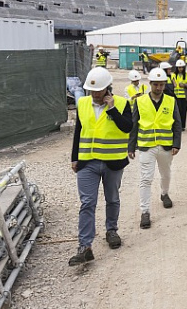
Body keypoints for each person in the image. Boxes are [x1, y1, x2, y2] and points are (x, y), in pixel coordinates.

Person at [69, 67, 132, 266]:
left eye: (99, 91)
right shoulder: (83, 103)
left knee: (112, 198)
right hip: (88, 161)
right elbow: (79, 131)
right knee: (87, 202)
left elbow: (128, 127)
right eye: (92, 91)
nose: (95, 94)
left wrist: (112, 109)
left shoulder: (122, 104)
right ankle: (84, 246)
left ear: (108, 88)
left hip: (113, 162)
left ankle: (111, 231)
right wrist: (74, 157)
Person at [128, 68, 182, 229]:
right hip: (146, 145)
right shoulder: (140, 101)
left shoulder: (171, 101)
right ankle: (145, 212)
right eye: (156, 84)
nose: (159, 88)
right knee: (146, 178)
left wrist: (176, 143)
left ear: (165, 84)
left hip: (165, 146)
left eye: (161, 85)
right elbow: (134, 125)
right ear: (150, 84)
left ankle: (164, 194)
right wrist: (131, 146)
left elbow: (177, 124)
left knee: (165, 174)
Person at [171, 60, 187, 130]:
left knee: (184, 111)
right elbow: (173, 83)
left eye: (182, 67)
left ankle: (183, 126)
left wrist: (185, 85)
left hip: (185, 97)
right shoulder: (173, 75)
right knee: (178, 111)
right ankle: (178, 125)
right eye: (179, 67)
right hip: (177, 96)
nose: (180, 69)